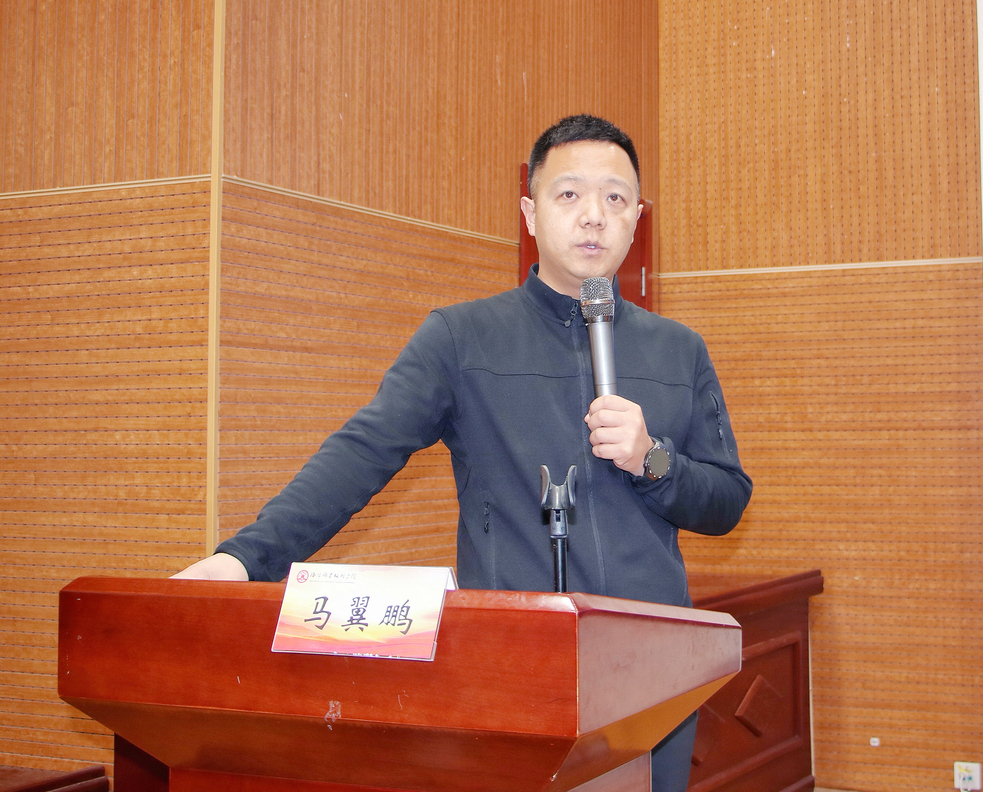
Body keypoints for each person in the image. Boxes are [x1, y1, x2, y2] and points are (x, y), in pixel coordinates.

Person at [174, 114, 752, 792]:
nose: (594, 214)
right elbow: (362, 452)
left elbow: (726, 500)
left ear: (635, 218)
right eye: (569, 194)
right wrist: (245, 558)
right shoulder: (462, 337)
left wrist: (652, 459)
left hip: (652, 667)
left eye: (615, 197)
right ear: (529, 214)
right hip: (510, 663)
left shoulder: (679, 349)